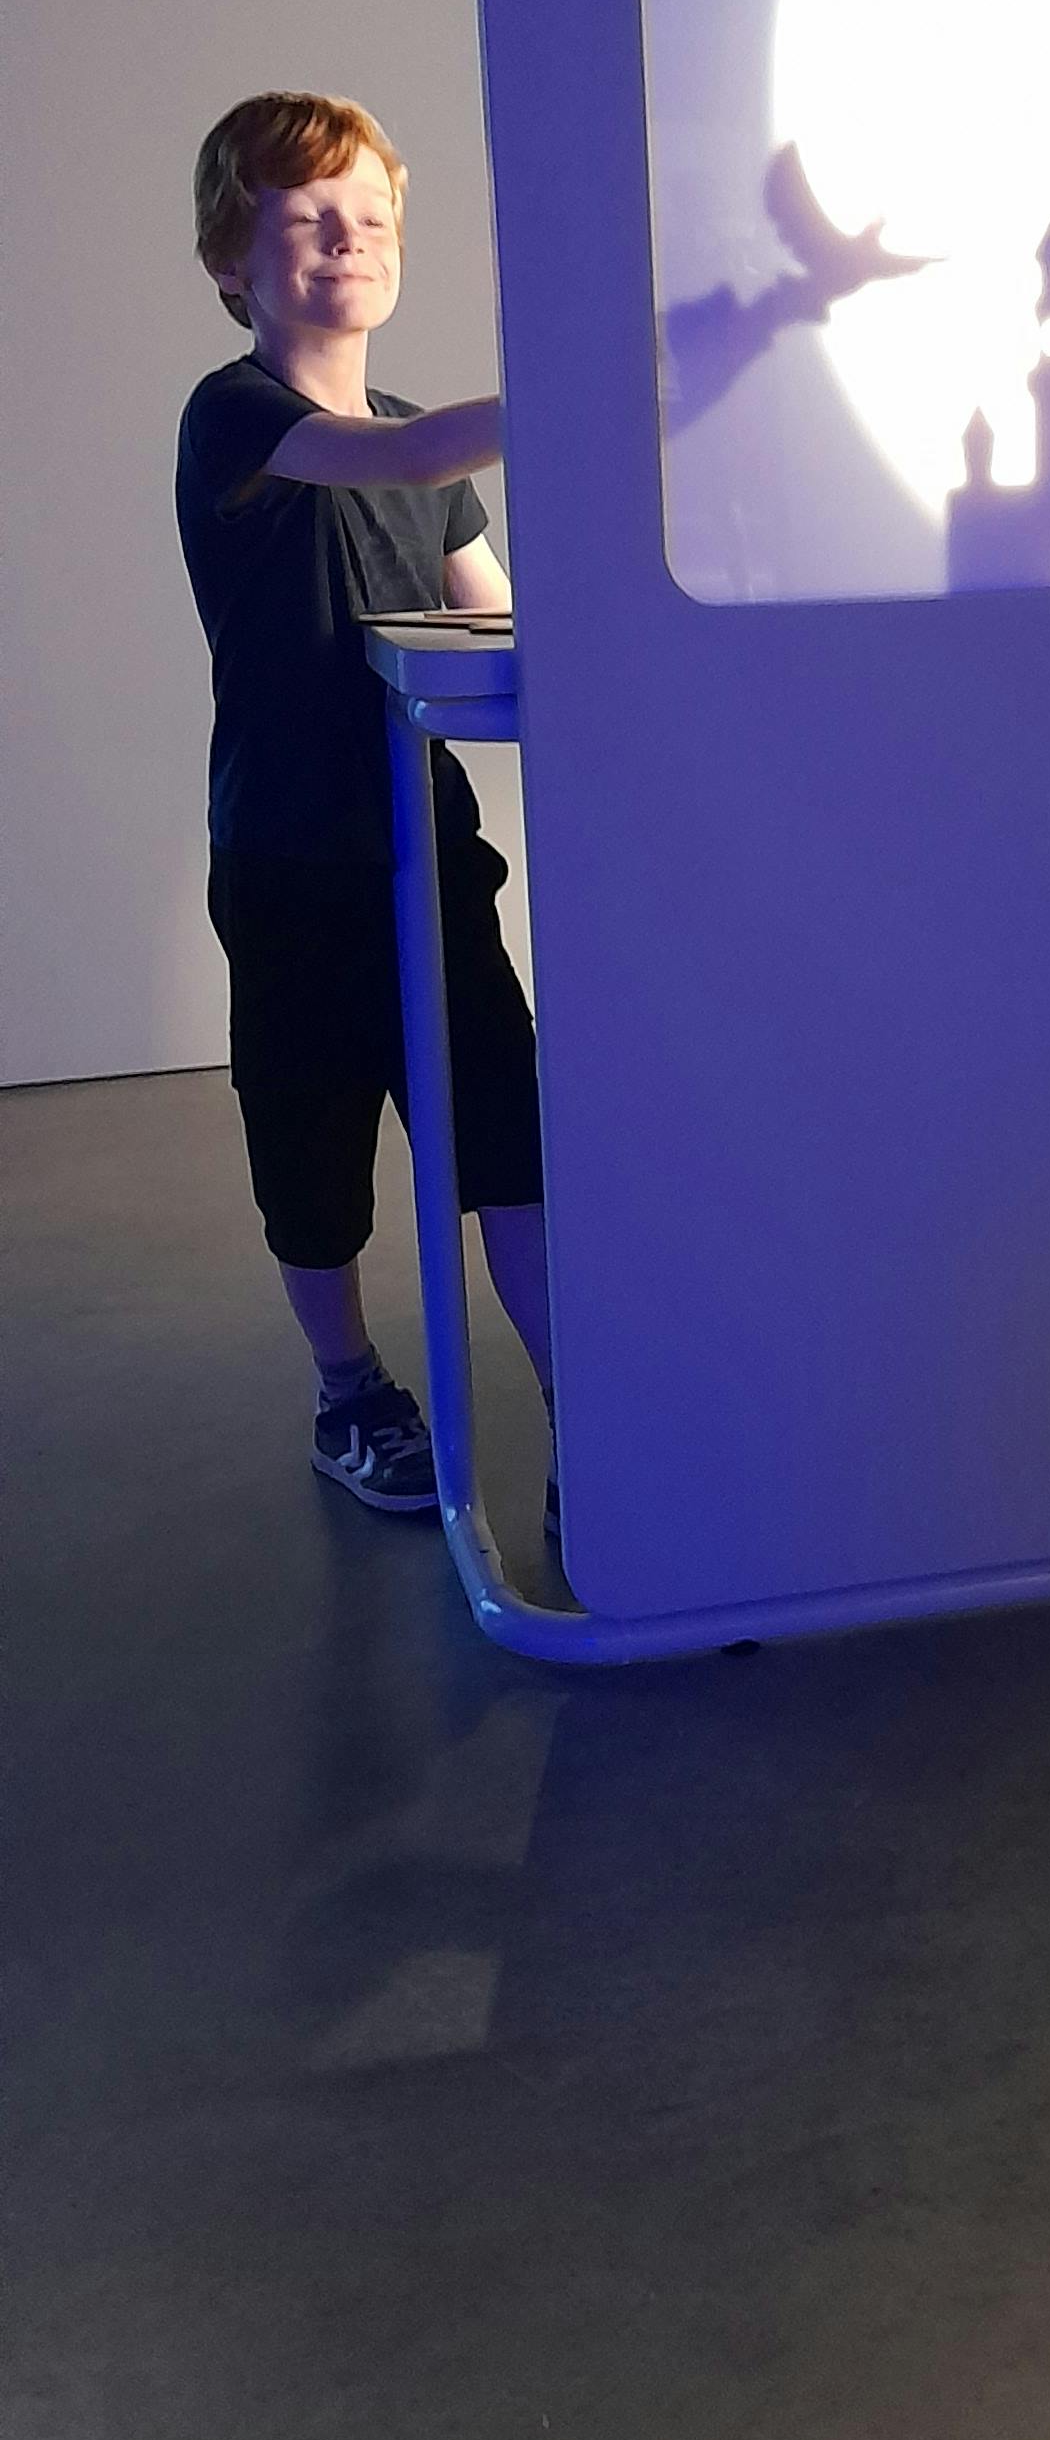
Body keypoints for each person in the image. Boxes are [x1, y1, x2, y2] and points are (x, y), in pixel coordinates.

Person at [176, 89, 556, 1532]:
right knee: (313, 1151)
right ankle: (349, 1389)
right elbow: (396, 462)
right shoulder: (237, 416)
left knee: (509, 1139)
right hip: (291, 865)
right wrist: (586, 395)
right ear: (232, 260)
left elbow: (498, 625)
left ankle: (586, 1409)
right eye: (308, 216)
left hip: (430, 857)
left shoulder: (422, 446)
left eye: (373, 214)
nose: (350, 238)